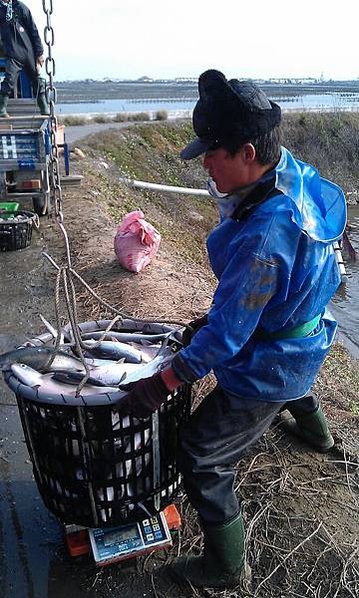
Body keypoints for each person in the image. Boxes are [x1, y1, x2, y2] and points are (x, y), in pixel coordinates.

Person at [121, 69, 346, 589]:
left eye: (213, 152)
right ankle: (317, 434)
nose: (205, 161)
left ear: (248, 152)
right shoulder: (288, 173)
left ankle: (225, 569)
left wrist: (163, 383)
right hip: (310, 328)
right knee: (288, 372)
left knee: (199, 453)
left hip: (280, 359)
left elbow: (226, 339)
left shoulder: (265, 236)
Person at [0, 0, 49, 117]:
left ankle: (43, 106)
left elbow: (33, 30)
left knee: (36, 78)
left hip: (28, 51)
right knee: (9, 79)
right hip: (12, 52)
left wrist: (39, 53)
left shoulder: (21, 7)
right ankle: (1, 109)